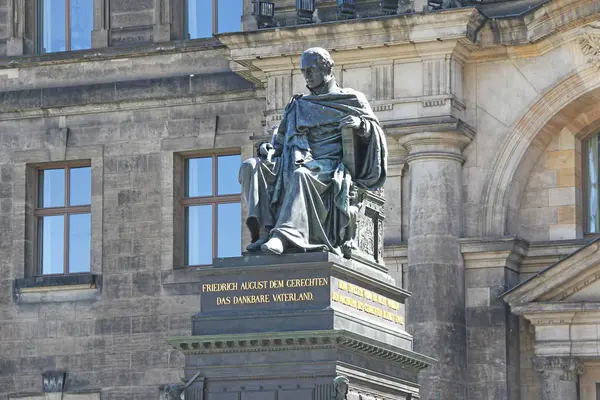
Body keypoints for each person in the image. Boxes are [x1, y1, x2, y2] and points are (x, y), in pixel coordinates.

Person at [238, 47, 387, 256]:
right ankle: (265, 231)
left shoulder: (352, 100)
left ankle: (283, 235)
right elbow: (279, 141)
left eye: (311, 70)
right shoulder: (298, 104)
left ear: (327, 68)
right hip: (293, 159)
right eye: (303, 71)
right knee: (251, 166)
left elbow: (377, 138)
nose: (307, 76)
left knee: (302, 175)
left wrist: (361, 125)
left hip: (328, 164)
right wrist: (268, 147)